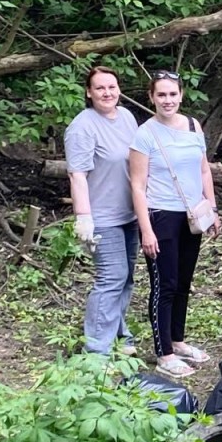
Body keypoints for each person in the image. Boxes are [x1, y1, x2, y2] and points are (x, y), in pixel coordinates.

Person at [129, 71, 220, 378]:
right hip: (161, 215)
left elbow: (203, 170)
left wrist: (212, 207)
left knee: (183, 282)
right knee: (164, 285)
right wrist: (146, 229)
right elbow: (138, 185)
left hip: (190, 214)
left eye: (172, 94)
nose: (167, 100)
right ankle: (164, 352)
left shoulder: (194, 126)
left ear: (181, 95)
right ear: (152, 98)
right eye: (161, 95)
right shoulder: (145, 134)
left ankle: (177, 340)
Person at [65, 66, 139, 356]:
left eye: (112, 86)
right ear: (89, 92)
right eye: (100, 88)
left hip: (130, 214)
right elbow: (77, 175)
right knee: (111, 277)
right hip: (101, 217)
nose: (107, 93)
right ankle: (97, 349)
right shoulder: (82, 127)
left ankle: (119, 335)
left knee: (127, 277)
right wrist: (84, 218)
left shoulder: (128, 118)